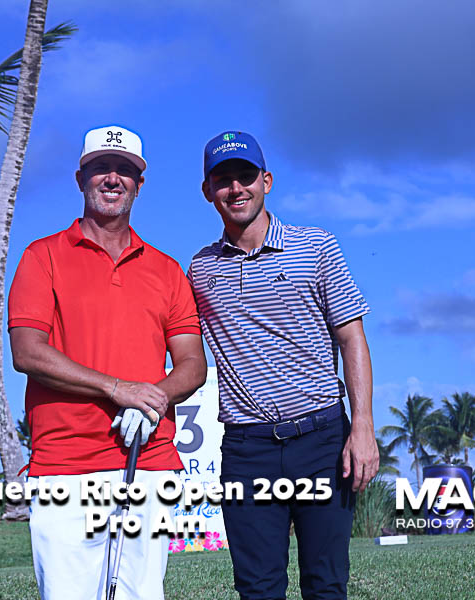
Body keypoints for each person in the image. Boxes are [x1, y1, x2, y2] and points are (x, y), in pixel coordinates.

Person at [8, 125, 207, 600]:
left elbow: (192, 363)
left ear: (139, 184)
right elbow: (27, 351)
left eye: (124, 170)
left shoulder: (167, 270)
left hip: (149, 460)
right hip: (65, 465)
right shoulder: (42, 256)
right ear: (81, 179)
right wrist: (119, 390)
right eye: (100, 168)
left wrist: (153, 401)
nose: (112, 178)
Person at [188, 131, 378, 600]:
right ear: (208, 191)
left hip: (322, 440)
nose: (237, 188)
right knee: (257, 589)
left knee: (326, 583)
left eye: (246, 176)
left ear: (266, 181)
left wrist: (362, 426)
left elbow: (352, 338)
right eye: (224, 180)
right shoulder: (200, 269)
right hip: (246, 450)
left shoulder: (316, 247)